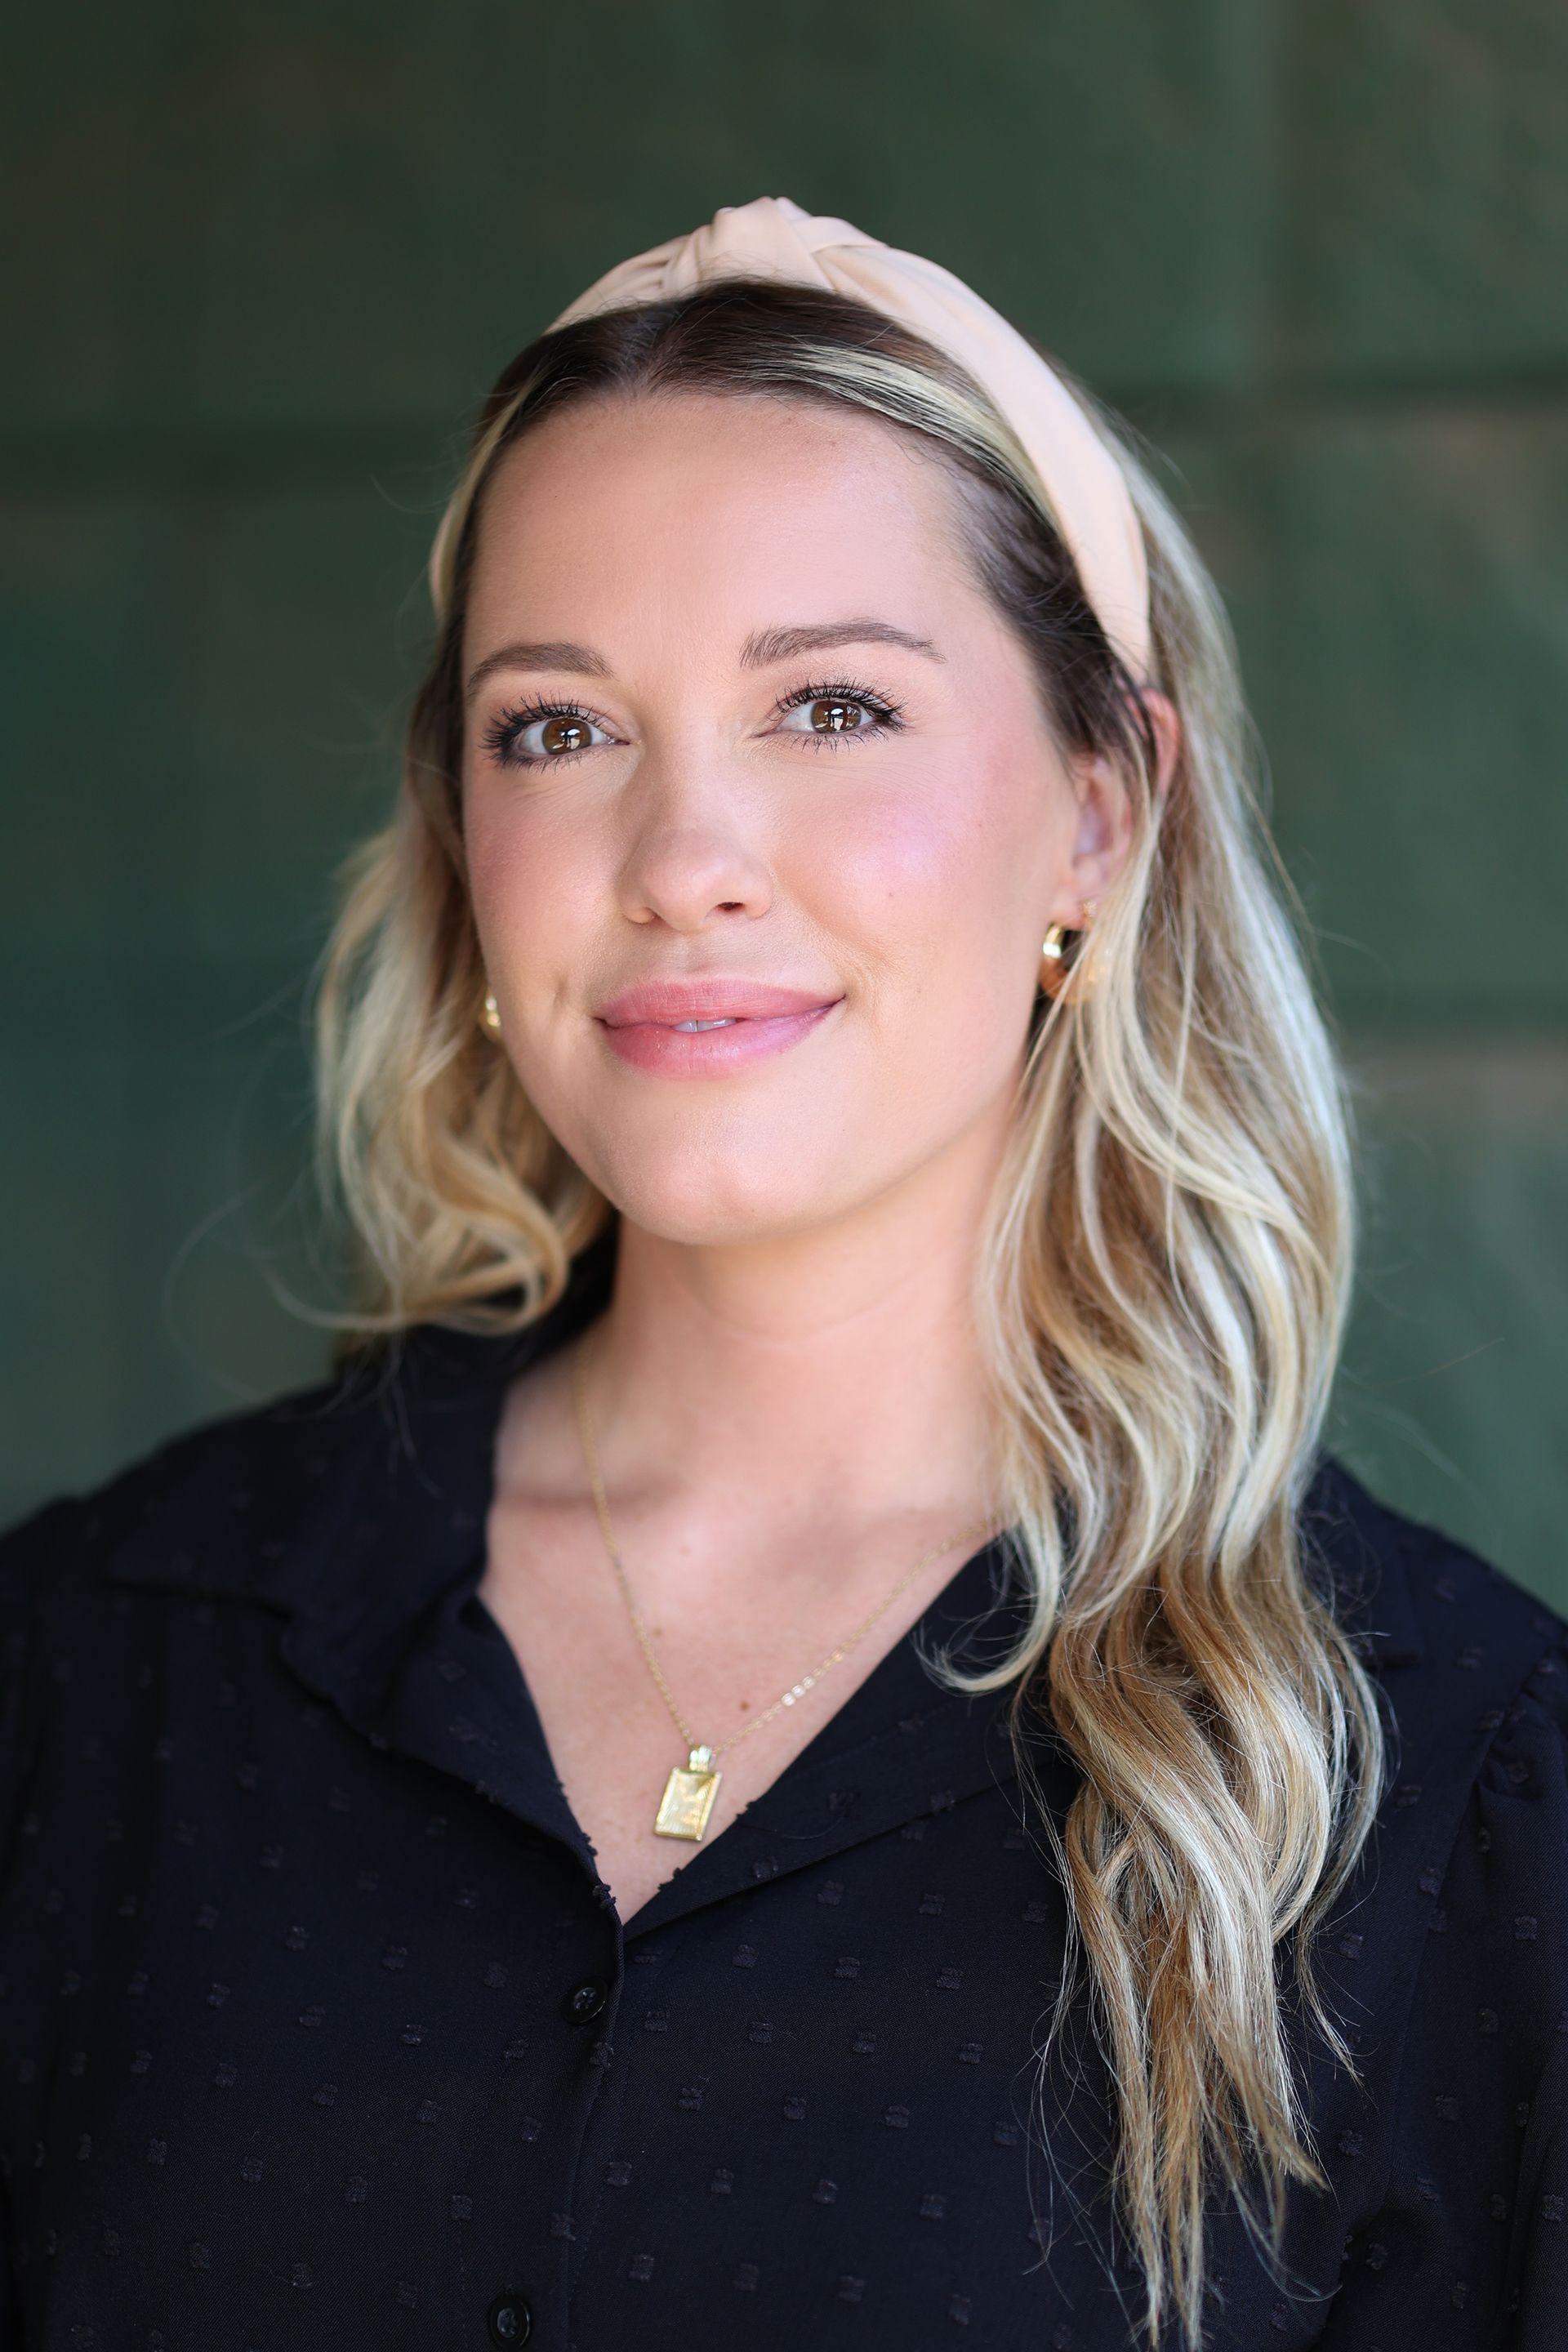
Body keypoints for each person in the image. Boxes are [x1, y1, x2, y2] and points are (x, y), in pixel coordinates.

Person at [0, 198, 1562, 2352]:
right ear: (462, 838)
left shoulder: (1456, 1802)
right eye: (559, 727)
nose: (681, 862)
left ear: (1103, 814)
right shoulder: (95, 1676)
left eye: (831, 704)